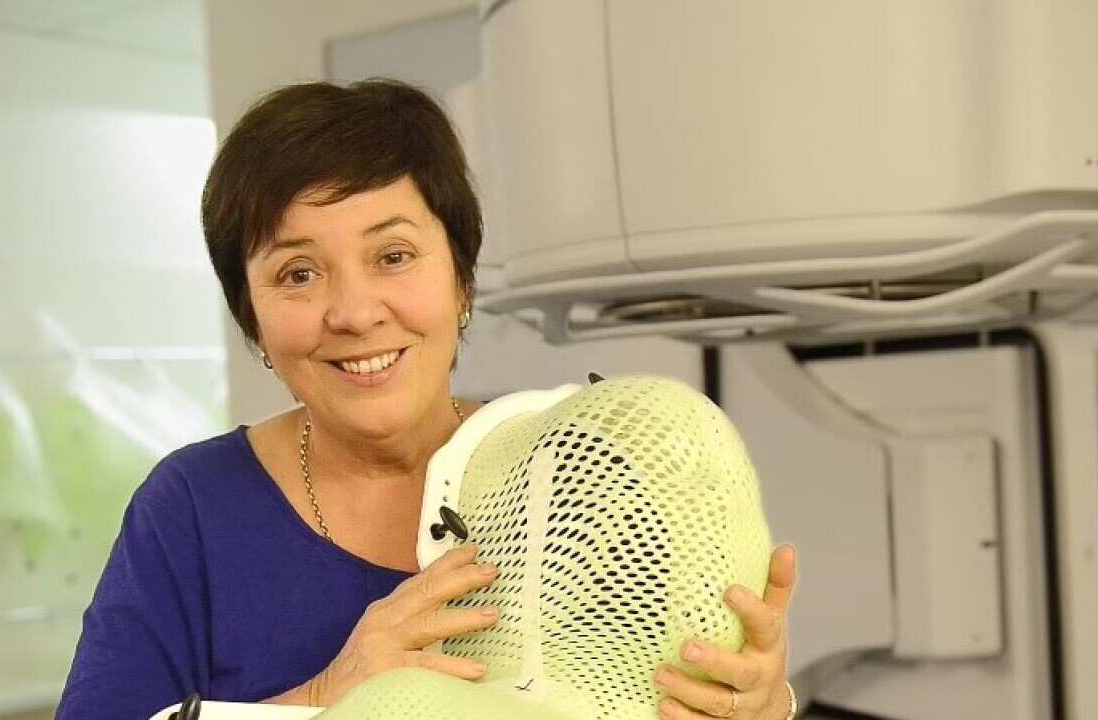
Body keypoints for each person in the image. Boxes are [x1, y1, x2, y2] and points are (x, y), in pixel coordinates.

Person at [55, 78, 798, 720]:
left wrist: (759, 704)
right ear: (252, 318)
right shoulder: (192, 508)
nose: (353, 311)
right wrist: (328, 694)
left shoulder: (582, 480)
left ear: (462, 280)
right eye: (298, 274)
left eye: (393, 256)